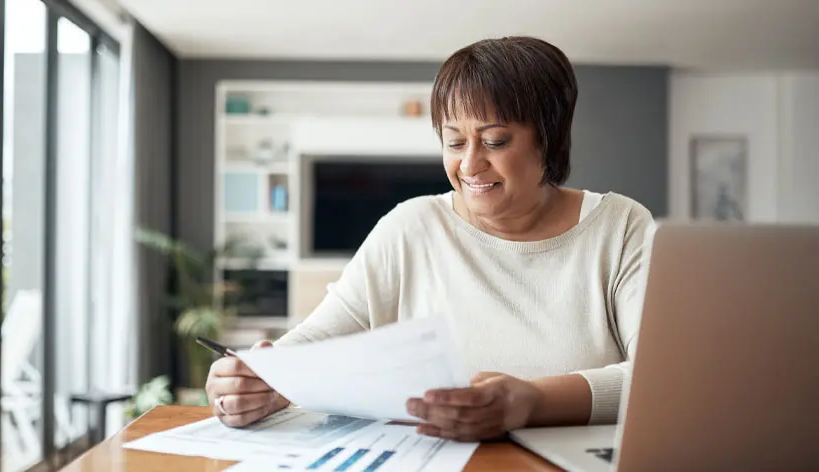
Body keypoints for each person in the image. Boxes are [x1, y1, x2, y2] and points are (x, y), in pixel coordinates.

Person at [205, 36, 654, 442]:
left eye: (495, 142)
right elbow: (316, 342)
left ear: (550, 140)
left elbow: (660, 378)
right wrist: (256, 383)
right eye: (455, 143)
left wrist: (529, 402)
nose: (470, 165)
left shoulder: (620, 226)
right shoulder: (411, 227)